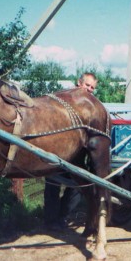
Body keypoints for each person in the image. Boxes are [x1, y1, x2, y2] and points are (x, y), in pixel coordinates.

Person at [43, 72, 98, 231]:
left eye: (92, 88)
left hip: (75, 154)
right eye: (87, 85)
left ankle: (61, 217)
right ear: (79, 83)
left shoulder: (90, 105)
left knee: (76, 186)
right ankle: (50, 221)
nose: (89, 90)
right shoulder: (64, 98)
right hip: (57, 149)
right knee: (53, 183)